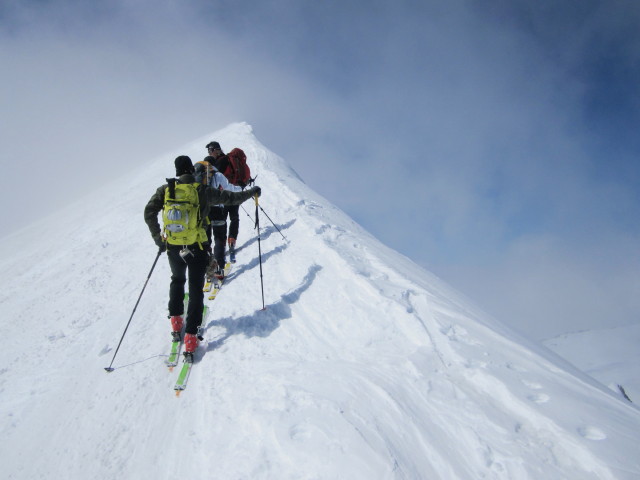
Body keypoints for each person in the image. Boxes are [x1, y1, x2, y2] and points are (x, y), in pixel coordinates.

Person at [144, 155, 260, 358]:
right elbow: (231, 198)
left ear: (176, 171)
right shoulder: (201, 190)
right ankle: (191, 337)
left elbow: (149, 212)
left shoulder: (166, 190)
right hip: (196, 248)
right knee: (196, 289)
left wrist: (158, 239)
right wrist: (252, 192)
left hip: (173, 246)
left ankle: (176, 323)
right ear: (191, 169)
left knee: (177, 280)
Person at [194, 158, 242, 280]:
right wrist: (240, 189)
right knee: (219, 238)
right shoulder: (218, 175)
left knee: (206, 240)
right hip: (218, 211)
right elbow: (229, 188)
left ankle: (208, 269)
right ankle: (219, 268)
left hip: (204, 211)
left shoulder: (198, 176)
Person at [205, 141, 248, 264]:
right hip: (234, 194)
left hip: (222, 198)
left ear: (217, 150)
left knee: (221, 222)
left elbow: (219, 181)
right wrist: (241, 189)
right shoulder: (230, 160)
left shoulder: (219, 163)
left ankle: (221, 246)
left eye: (211, 150)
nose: (210, 152)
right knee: (234, 217)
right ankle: (232, 240)